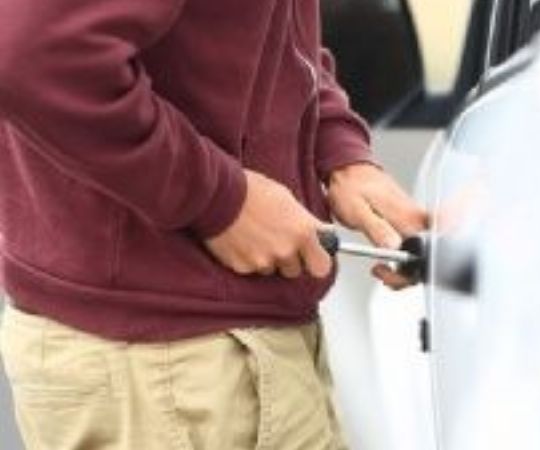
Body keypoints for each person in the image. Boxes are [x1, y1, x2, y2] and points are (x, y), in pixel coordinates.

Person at [0, 0, 426, 448]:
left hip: (199, 360)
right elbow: (37, 54)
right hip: (174, 366)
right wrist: (218, 199)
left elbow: (265, 32)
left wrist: (336, 147)